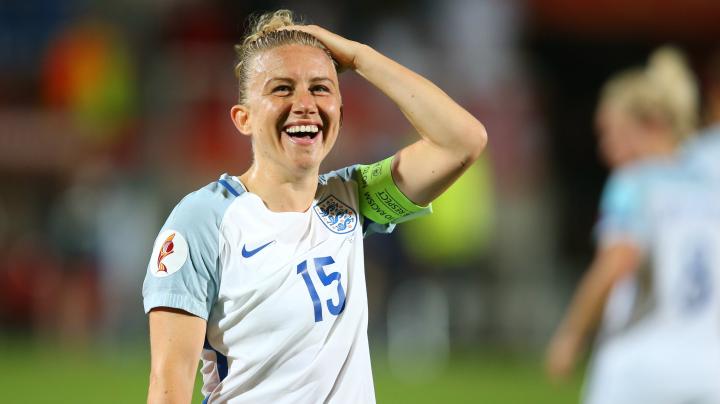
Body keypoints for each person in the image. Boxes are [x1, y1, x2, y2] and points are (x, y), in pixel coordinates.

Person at [142, 9, 487, 404]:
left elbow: (463, 141)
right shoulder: (204, 220)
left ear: (340, 111)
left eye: (320, 88)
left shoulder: (352, 198)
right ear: (243, 118)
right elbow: (169, 382)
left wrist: (359, 57)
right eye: (282, 89)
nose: (305, 104)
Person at [546, 47, 720, 403]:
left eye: (611, 132)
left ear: (650, 125)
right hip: (709, 369)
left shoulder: (634, 183)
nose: (604, 148)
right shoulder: (711, 183)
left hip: (639, 363)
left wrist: (571, 334)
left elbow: (618, 260)